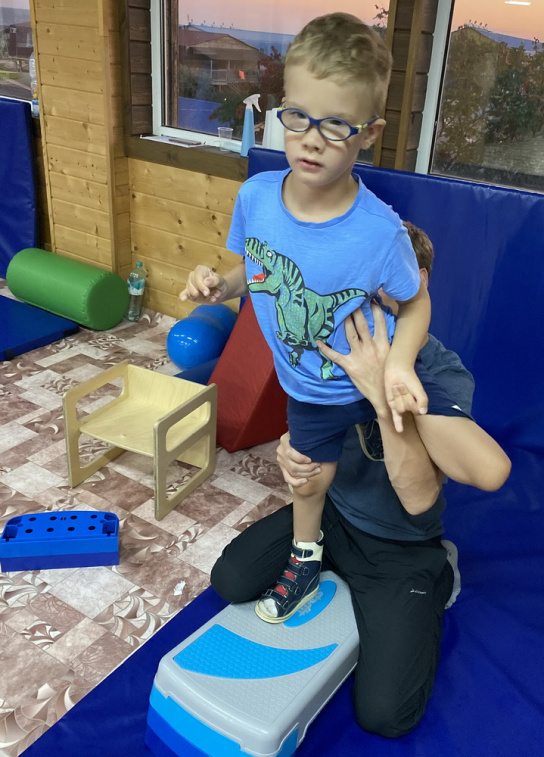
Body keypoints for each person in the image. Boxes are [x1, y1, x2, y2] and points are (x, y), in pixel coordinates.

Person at [180, 13, 497, 624]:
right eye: (297, 116)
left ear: (368, 133)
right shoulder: (256, 198)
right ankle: (306, 560)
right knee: (306, 478)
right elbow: (254, 270)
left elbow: (416, 301)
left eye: (335, 125)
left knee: (438, 479)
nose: (311, 139)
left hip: (372, 369)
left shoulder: (378, 231)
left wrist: (398, 367)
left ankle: (424, 558)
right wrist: (219, 286)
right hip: (311, 386)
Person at [210, 239, 510, 736]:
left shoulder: (442, 373)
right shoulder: (331, 342)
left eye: (384, 285)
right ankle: (314, 562)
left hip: (400, 544)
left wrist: (380, 388)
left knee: (385, 715)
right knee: (230, 579)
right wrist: (290, 450)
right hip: (332, 516)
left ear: (418, 286)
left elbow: (421, 497)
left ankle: (441, 572)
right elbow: (308, 429)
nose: (366, 300)